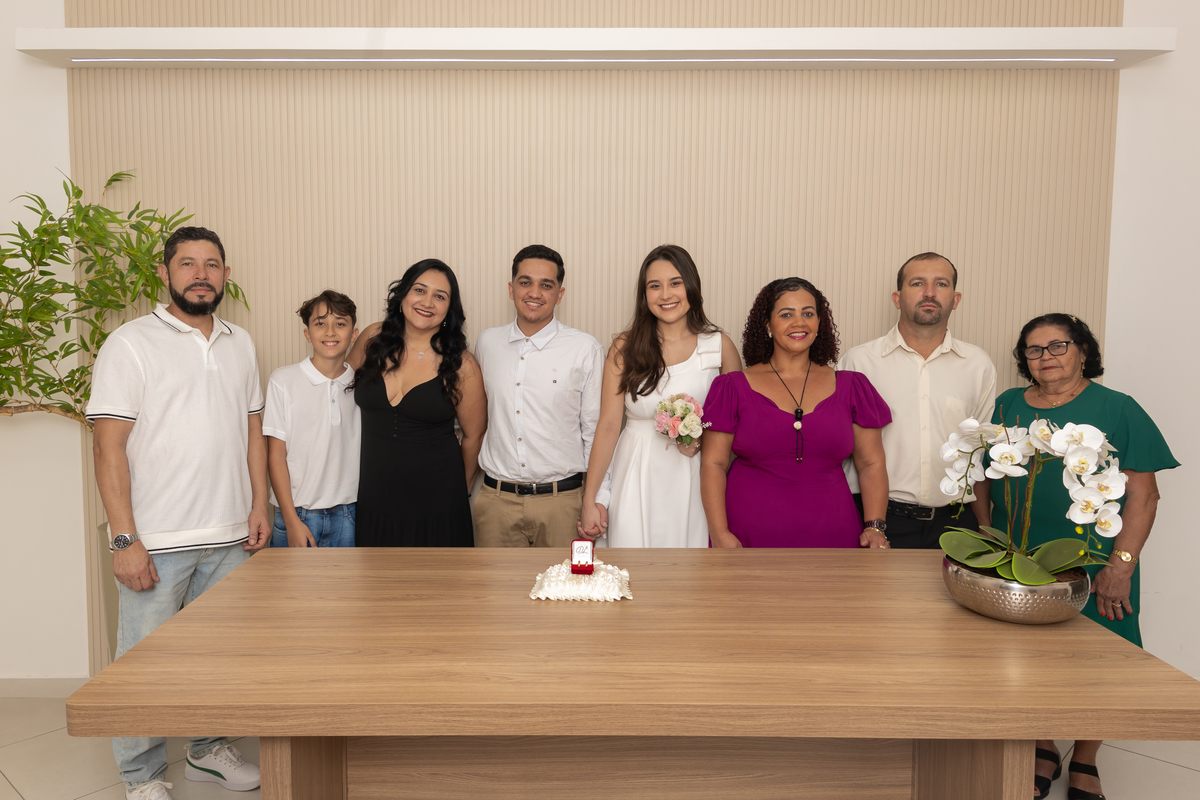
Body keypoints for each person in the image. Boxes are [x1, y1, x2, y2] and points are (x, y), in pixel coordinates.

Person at [87, 226, 265, 800]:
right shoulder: (130, 343)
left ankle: (207, 750)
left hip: (230, 534)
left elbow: (252, 431)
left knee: (219, 659)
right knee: (144, 664)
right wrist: (124, 540)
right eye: (187, 264)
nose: (200, 275)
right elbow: (108, 447)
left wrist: (257, 504)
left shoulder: (241, 343)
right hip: (157, 539)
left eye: (211, 264)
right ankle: (141, 777)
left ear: (226, 275)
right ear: (164, 273)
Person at [970, 313, 1178, 800]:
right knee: (1027, 660)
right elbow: (982, 473)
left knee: (1102, 662)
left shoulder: (1118, 408)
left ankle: (1085, 756)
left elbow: (1144, 497)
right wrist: (986, 533)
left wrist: (1120, 566)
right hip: (1020, 557)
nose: (1046, 357)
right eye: (1034, 349)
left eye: (1058, 345)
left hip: (1097, 558)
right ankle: (1042, 745)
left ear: (1084, 351)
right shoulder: (1008, 404)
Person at [701, 277, 892, 549]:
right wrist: (719, 533)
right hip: (747, 536)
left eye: (808, 313)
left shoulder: (852, 386)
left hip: (834, 536)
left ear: (819, 323)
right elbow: (713, 464)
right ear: (767, 325)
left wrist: (875, 527)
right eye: (786, 314)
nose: (799, 322)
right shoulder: (731, 387)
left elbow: (871, 464)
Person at [579, 244, 740, 547]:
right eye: (655, 286)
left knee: (691, 562)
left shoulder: (719, 346)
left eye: (675, 283)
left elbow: (737, 426)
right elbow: (608, 425)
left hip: (695, 475)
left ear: (691, 286)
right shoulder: (624, 347)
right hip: (635, 470)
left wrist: (701, 441)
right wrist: (590, 499)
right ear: (644, 295)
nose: (666, 295)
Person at [840, 252, 996, 548]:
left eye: (941, 284)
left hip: (955, 522)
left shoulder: (978, 365)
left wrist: (984, 525)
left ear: (956, 299)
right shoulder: (859, 362)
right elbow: (841, 446)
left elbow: (978, 452)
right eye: (917, 283)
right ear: (897, 298)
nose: (930, 293)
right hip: (876, 521)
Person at [474, 244, 606, 547]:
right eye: (525, 282)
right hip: (496, 503)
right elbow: (474, 414)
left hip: (564, 503)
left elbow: (596, 432)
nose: (535, 293)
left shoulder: (585, 349)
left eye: (546, 285)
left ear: (560, 294)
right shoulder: (486, 343)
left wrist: (596, 500)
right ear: (511, 289)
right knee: (494, 581)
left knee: (566, 580)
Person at [349, 260, 486, 547]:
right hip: (373, 495)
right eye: (419, 290)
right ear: (403, 295)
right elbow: (338, 393)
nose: (427, 302)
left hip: (439, 503)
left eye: (440, 296)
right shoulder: (372, 339)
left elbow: (474, 436)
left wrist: (459, 492)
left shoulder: (462, 364)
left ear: (449, 309)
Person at [264, 290, 361, 548]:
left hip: (349, 515)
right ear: (307, 334)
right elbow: (276, 457)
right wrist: (291, 520)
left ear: (354, 334)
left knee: (349, 578)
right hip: (297, 514)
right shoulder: (283, 381)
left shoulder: (363, 385)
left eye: (340, 324)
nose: (330, 332)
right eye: (320, 324)